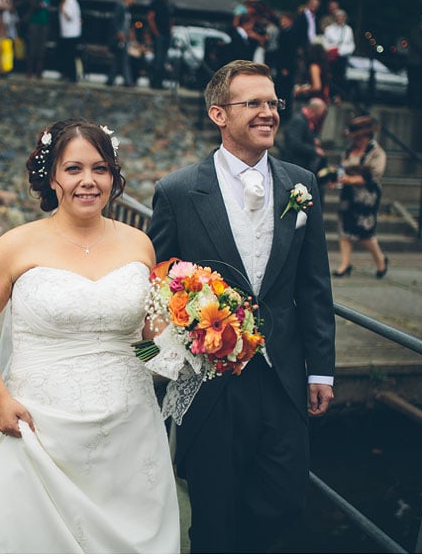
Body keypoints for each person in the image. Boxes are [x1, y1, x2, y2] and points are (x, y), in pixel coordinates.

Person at [0, 119, 180, 553]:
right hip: (37, 426)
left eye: (100, 168)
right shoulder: (16, 245)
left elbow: (150, 339)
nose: (88, 181)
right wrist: (0, 397)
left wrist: (196, 338)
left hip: (128, 429)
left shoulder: (140, 245)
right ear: (52, 176)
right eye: (74, 168)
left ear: (113, 176)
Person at [147, 60, 335, 553]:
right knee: (213, 516)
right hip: (211, 384)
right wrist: (158, 363)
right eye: (253, 103)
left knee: (284, 506)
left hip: (284, 379)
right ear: (218, 114)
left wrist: (322, 373)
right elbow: (152, 290)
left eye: (273, 103)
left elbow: (315, 286)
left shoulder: (302, 184)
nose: (268, 112)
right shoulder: (178, 191)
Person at [330, 115, 389, 278]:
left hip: (367, 194)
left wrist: (349, 179)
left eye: (357, 136)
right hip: (348, 193)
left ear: (365, 136)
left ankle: (381, 261)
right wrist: (336, 179)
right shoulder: (349, 150)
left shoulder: (376, 152)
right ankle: (345, 264)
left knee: (364, 231)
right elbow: (343, 169)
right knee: (344, 228)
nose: (355, 140)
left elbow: (373, 176)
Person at [281, 97, 328, 173]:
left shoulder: (305, 120)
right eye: (317, 116)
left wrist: (313, 140)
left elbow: (304, 136)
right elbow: (295, 144)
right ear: (312, 112)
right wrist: (314, 150)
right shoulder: (298, 121)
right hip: (294, 163)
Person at [322, 9, 355, 103]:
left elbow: (351, 45)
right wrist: (332, 50)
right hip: (332, 57)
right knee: (330, 76)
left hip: (343, 57)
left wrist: (341, 52)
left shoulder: (348, 30)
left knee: (341, 77)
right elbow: (325, 42)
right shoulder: (329, 29)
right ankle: (328, 95)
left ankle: (338, 96)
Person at [106, 0, 136, 87]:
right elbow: (115, 21)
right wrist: (120, 33)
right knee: (124, 59)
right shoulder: (121, 7)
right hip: (120, 38)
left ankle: (111, 79)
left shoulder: (126, 9)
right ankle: (128, 81)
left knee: (117, 59)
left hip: (124, 37)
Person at [22, 0, 51, 79]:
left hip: (44, 24)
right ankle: (29, 71)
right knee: (32, 48)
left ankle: (39, 72)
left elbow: (47, 7)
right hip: (34, 24)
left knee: (41, 49)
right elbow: (36, 6)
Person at [147, 0, 174, 89]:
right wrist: (156, 32)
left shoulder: (169, 4)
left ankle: (159, 82)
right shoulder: (155, 3)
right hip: (159, 34)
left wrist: (171, 30)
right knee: (158, 59)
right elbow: (150, 18)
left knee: (163, 59)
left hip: (166, 34)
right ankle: (154, 82)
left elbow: (171, 19)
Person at [56, 0, 81, 83]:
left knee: (69, 55)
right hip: (67, 32)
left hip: (71, 33)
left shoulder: (70, 1)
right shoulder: (69, 1)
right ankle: (67, 74)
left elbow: (69, 16)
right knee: (66, 55)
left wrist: (62, 8)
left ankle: (71, 76)